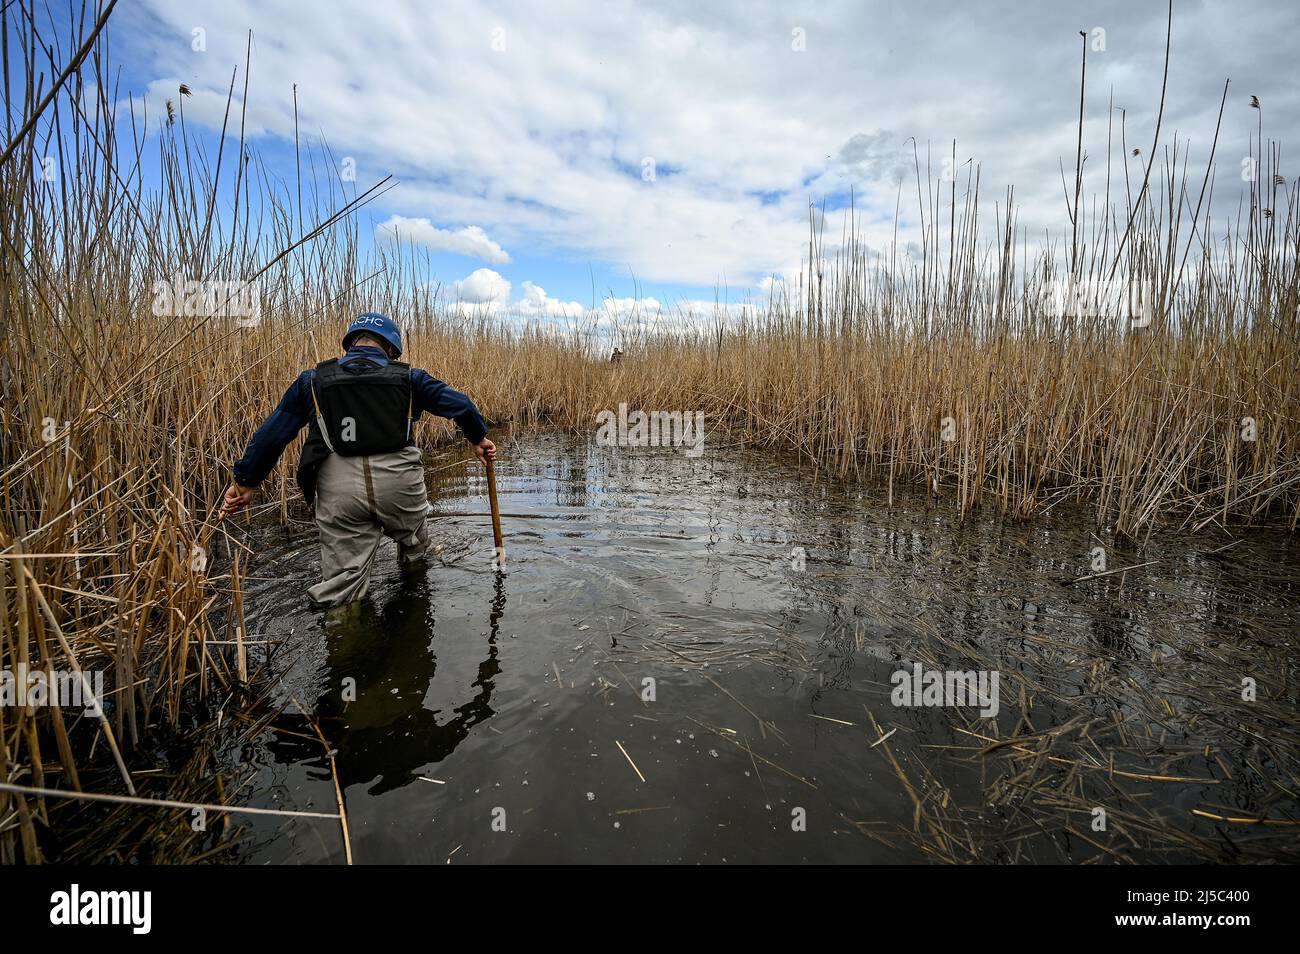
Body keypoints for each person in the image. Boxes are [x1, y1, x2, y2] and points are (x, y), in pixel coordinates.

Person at [219, 312, 496, 606]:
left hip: (340, 490)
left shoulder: (311, 381)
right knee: (415, 548)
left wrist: (246, 481)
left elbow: (272, 434)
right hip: (399, 485)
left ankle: (345, 632)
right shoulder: (410, 378)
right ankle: (412, 606)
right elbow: (461, 405)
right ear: (391, 349)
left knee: (342, 588)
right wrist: (478, 438)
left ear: (350, 345)